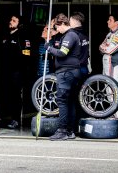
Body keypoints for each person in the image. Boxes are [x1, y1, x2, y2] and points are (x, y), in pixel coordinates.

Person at [44, 13, 81, 141]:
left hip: (67, 73)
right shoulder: (69, 35)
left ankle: (62, 131)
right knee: (70, 102)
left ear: (64, 24)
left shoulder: (70, 35)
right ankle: (70, 131)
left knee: (62, 101)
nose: (57, 29)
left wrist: (48, 48)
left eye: (57, 27)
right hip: (71, 72)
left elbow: (62, 53)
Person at [0, 15, 32, 129]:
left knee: (15, 96)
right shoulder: (5, 35)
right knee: (5, 94)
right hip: (4, 71)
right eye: (10, 20)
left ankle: (16, 120)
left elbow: (27, 56)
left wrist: (23, 72)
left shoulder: (22, 36)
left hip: (17, 72)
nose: (11, 22)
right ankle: (3, 117)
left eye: (14, 21)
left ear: (19, 24)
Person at [99, 14, 118, 127]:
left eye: (110, 20)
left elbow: (110, 49)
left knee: (115, 91)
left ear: (117, 22)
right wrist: (104, 48)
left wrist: (105, 48)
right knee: (109, 92)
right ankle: (114, 115)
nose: (108, 21)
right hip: (107, 66)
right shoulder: (110, 34)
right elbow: (101, 47)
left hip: (115, 66)